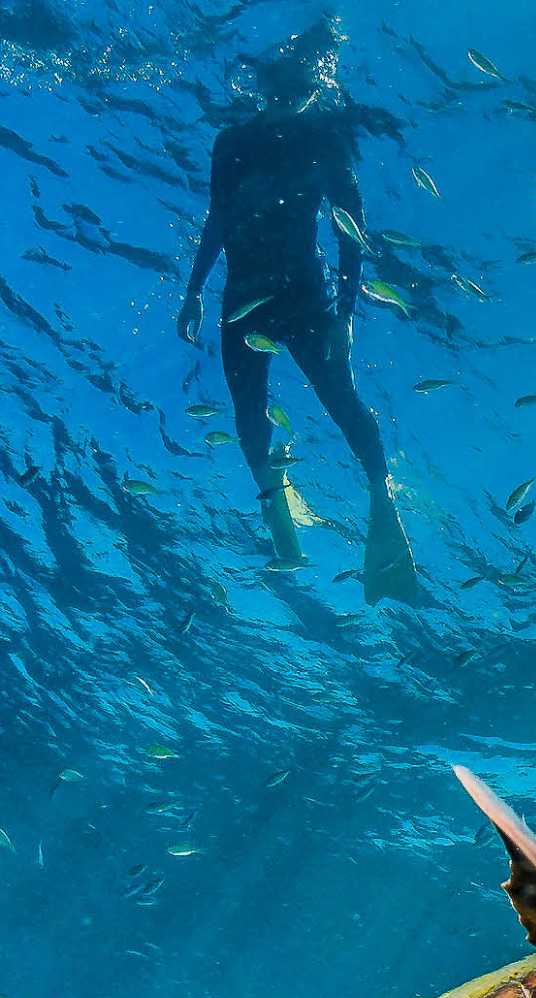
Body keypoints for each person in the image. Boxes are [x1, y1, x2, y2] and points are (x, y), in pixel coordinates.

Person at [176, 19, 419, 604]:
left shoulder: (324, 139)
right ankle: (278, 508)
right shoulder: (231, 143)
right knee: (248, 410)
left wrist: (346, 315)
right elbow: (218, 218)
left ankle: (380, 497)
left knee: (338, 398)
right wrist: (193, 290)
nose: (294, 97)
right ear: (271, 87)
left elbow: (350, 228)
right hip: (249, 297)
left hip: (304, 295)